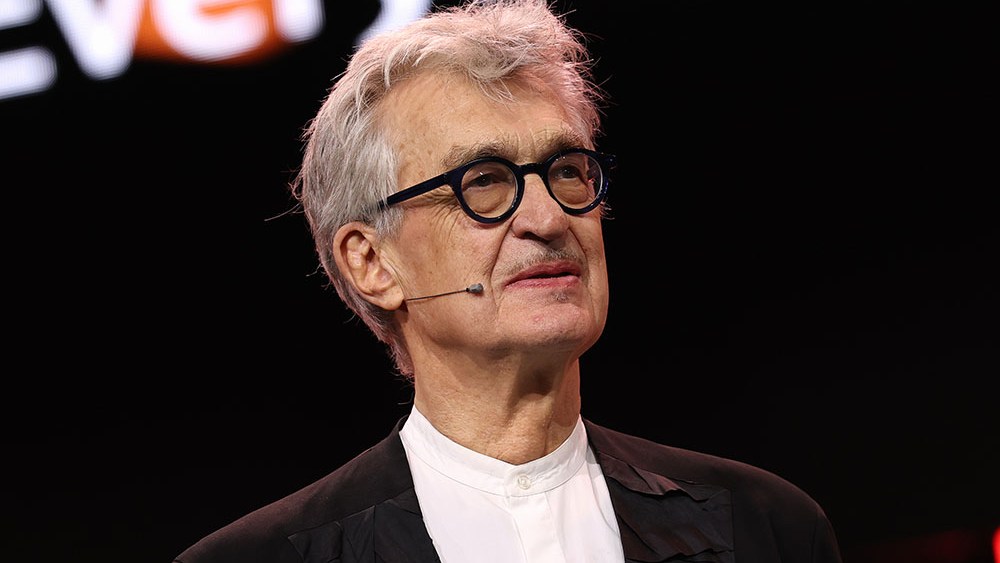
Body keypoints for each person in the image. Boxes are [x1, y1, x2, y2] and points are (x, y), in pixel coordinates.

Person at [175, 0, 843, 561]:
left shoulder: (767, 529)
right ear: (372, 263)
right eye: (484, 182)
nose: (549, 218)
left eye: (567, 170)